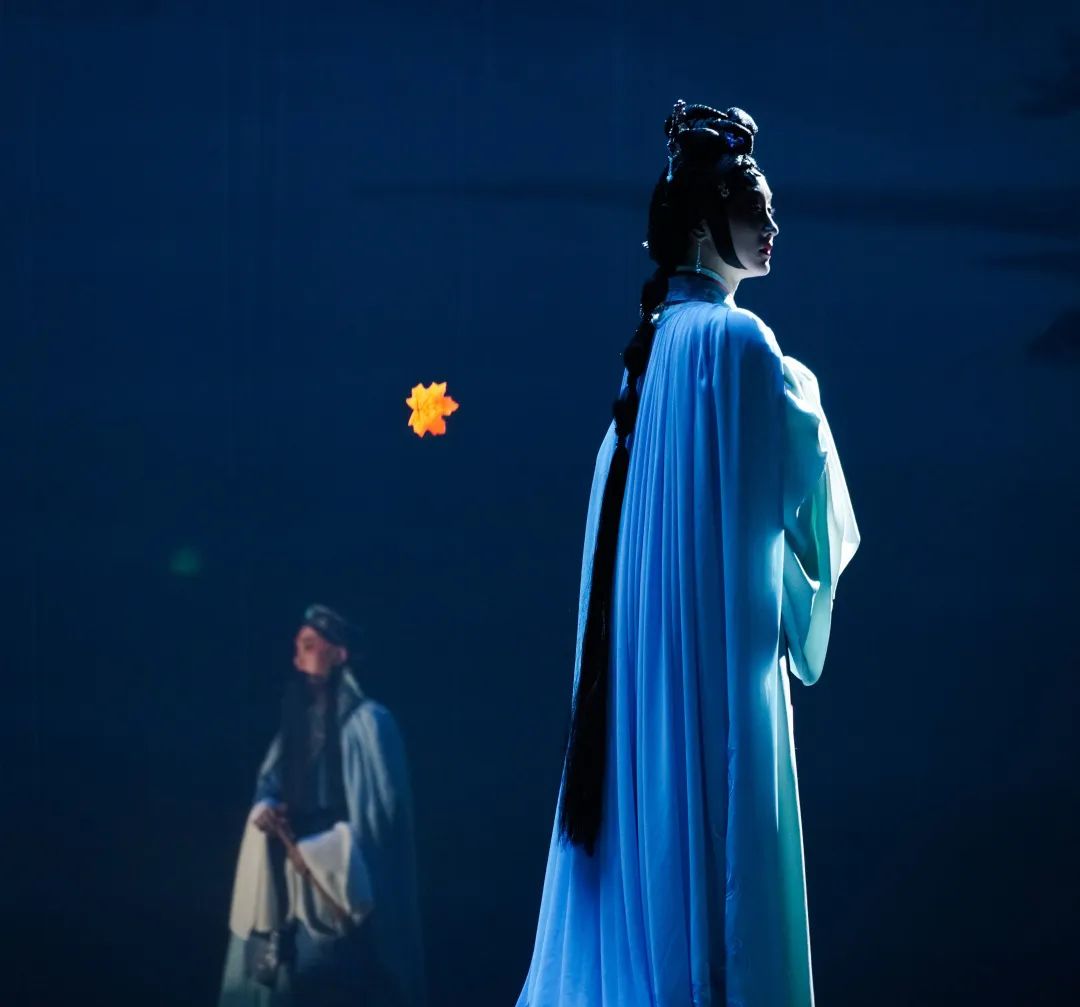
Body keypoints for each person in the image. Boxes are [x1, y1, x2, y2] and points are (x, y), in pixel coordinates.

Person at [517, 101, 860, 1006]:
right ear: (706, 219)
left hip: (652, 682)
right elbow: (809, 514)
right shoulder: (735, 344)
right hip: (712, 675)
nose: (773, 221)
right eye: (755, 201)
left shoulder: (652, 361)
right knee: (719, 849)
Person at [219, 604, 425, 1007]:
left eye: (310, 646)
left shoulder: (370, 723)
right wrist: (267, 808)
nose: (299, 658)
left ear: (339, 654)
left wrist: (326, 850)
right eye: (298, 648)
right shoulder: (296, 726)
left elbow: (382, 816)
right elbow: (270, 782)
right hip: (288, 875)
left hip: (341, 881)